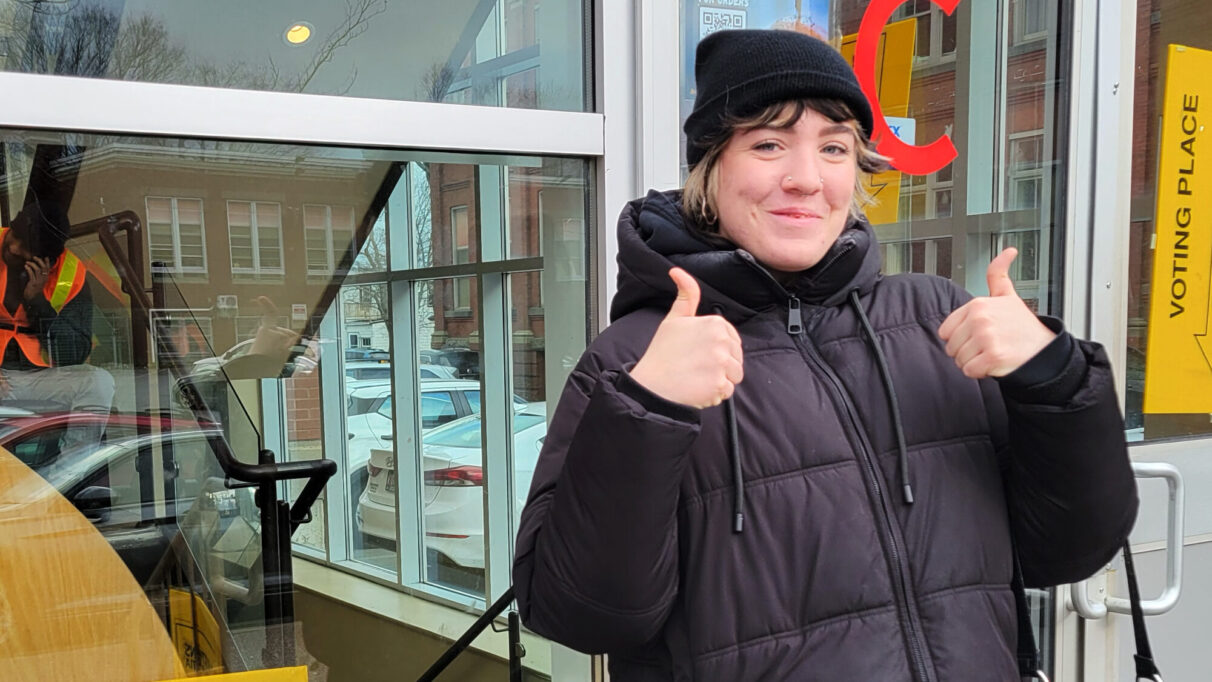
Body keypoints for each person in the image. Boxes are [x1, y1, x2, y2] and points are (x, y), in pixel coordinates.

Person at [513, 29, 1137, 681]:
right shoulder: (637, 357)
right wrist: (646, 411)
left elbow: (1069, 550)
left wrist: (1055, 378)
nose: (806, 179)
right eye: (768, 144)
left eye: (834, 148)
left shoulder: (935, 317)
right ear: (711, 167)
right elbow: (578, 615)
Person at [0, 198, 114, 452]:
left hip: (40, 377)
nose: (15, 248)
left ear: (48, 261)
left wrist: (37, 302)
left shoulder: (71, 274)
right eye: (15, 235)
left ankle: (72, 469)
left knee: (98, 383)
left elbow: (75, 352)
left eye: (26, 247)